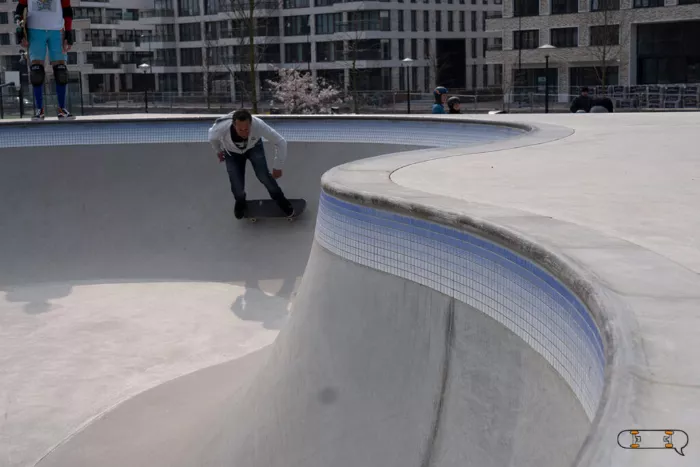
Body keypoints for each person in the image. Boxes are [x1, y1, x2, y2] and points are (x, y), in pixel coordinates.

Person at [208, 109, 295, 219]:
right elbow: (212, 138)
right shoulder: (220, 128)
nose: (244, 132)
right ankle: (240, 202)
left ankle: (281, 201)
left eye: (247, 129)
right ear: (234, 125)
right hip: (232, 153)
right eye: (241, 130)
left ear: (251, 124)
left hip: (254, 147)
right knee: (237, 185)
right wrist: (219, 151)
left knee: (264, 176)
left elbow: (281, 142)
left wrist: (278, 166)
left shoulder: (258, 124)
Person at [14, 0, 74, 120]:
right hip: (34, 30)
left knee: (61, 71)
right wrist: (20, 32)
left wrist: (68, 33)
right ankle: (39, 110)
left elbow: (67, 11)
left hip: (57, 30)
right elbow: (20, 9)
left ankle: (62, 109)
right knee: (36, 72)